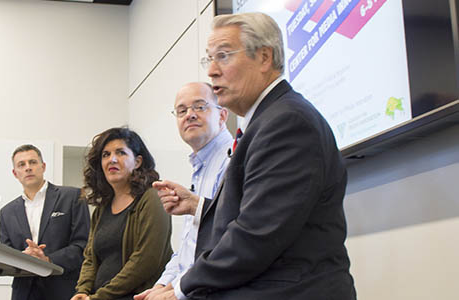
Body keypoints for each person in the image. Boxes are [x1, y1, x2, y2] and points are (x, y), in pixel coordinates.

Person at [148, 12, 357, 299]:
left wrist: (182, 288)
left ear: (264, 58)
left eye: (223, 56)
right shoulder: (267, 120)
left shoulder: (287, 122)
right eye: (209, 59)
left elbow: (257, 234)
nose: (211, 71)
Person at [134, 82, 232, 300]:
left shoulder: (231, 160)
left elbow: (228, 238)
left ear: (222, 116)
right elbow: (187, 249)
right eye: (182, 110)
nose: (190, 115)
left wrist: (176, 290)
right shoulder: (201, 166)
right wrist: (161, 285)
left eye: (199, 107)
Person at [72, 127, 173, 300]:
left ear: (138, 161)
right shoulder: (101, 209)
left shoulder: (151, 197)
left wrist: (100, 296)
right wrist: (82, 290)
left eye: (120, 153)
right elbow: (90, 257)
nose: (112, 159)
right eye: (105, 155)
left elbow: (146, 260)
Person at [0, 144, 90, 300]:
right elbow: (6, 254)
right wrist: (23, 257)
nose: (28, 168)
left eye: (33, 162)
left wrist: (47, 260)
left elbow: (83, 245)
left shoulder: (73, 196)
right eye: (22, 164)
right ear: (15, 173)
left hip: (64, 289)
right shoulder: (7, 212)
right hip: (24, 293)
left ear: (43, 166)